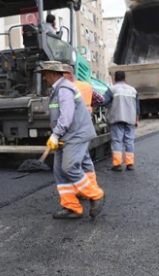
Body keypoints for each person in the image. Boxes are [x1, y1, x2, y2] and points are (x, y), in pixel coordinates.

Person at [41, 61, 105, 219]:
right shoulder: (56, 89)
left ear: (53, 73)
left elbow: (67, 117)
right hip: (66, 135)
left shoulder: (64, 89)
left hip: (75, 134)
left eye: (45, 74)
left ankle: (95, 195)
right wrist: (56, 134)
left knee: (69, 167)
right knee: (59, 171)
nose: (43, 78)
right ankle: (72, 207)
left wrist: (55, 135)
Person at [62, 65, 104, 194]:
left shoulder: (66, 88)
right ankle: (92, 185)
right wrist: (90, 105)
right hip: (86, 123)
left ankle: (87, 191)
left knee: (74, 160)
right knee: (85, 157)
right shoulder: (86, 86)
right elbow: (101, 99)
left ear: (68, 74)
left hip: (74, 126)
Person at [104, 71, 140, 172]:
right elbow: (137, 107)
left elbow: (103, 101)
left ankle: (117, 164)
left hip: (117, 118)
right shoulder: (133, 90)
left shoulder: (112, 89)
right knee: (129, 141)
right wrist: (136, 119)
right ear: (125, 78)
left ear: (115, 79)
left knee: (117, 141)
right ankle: (130, 164)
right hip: (130, 119)